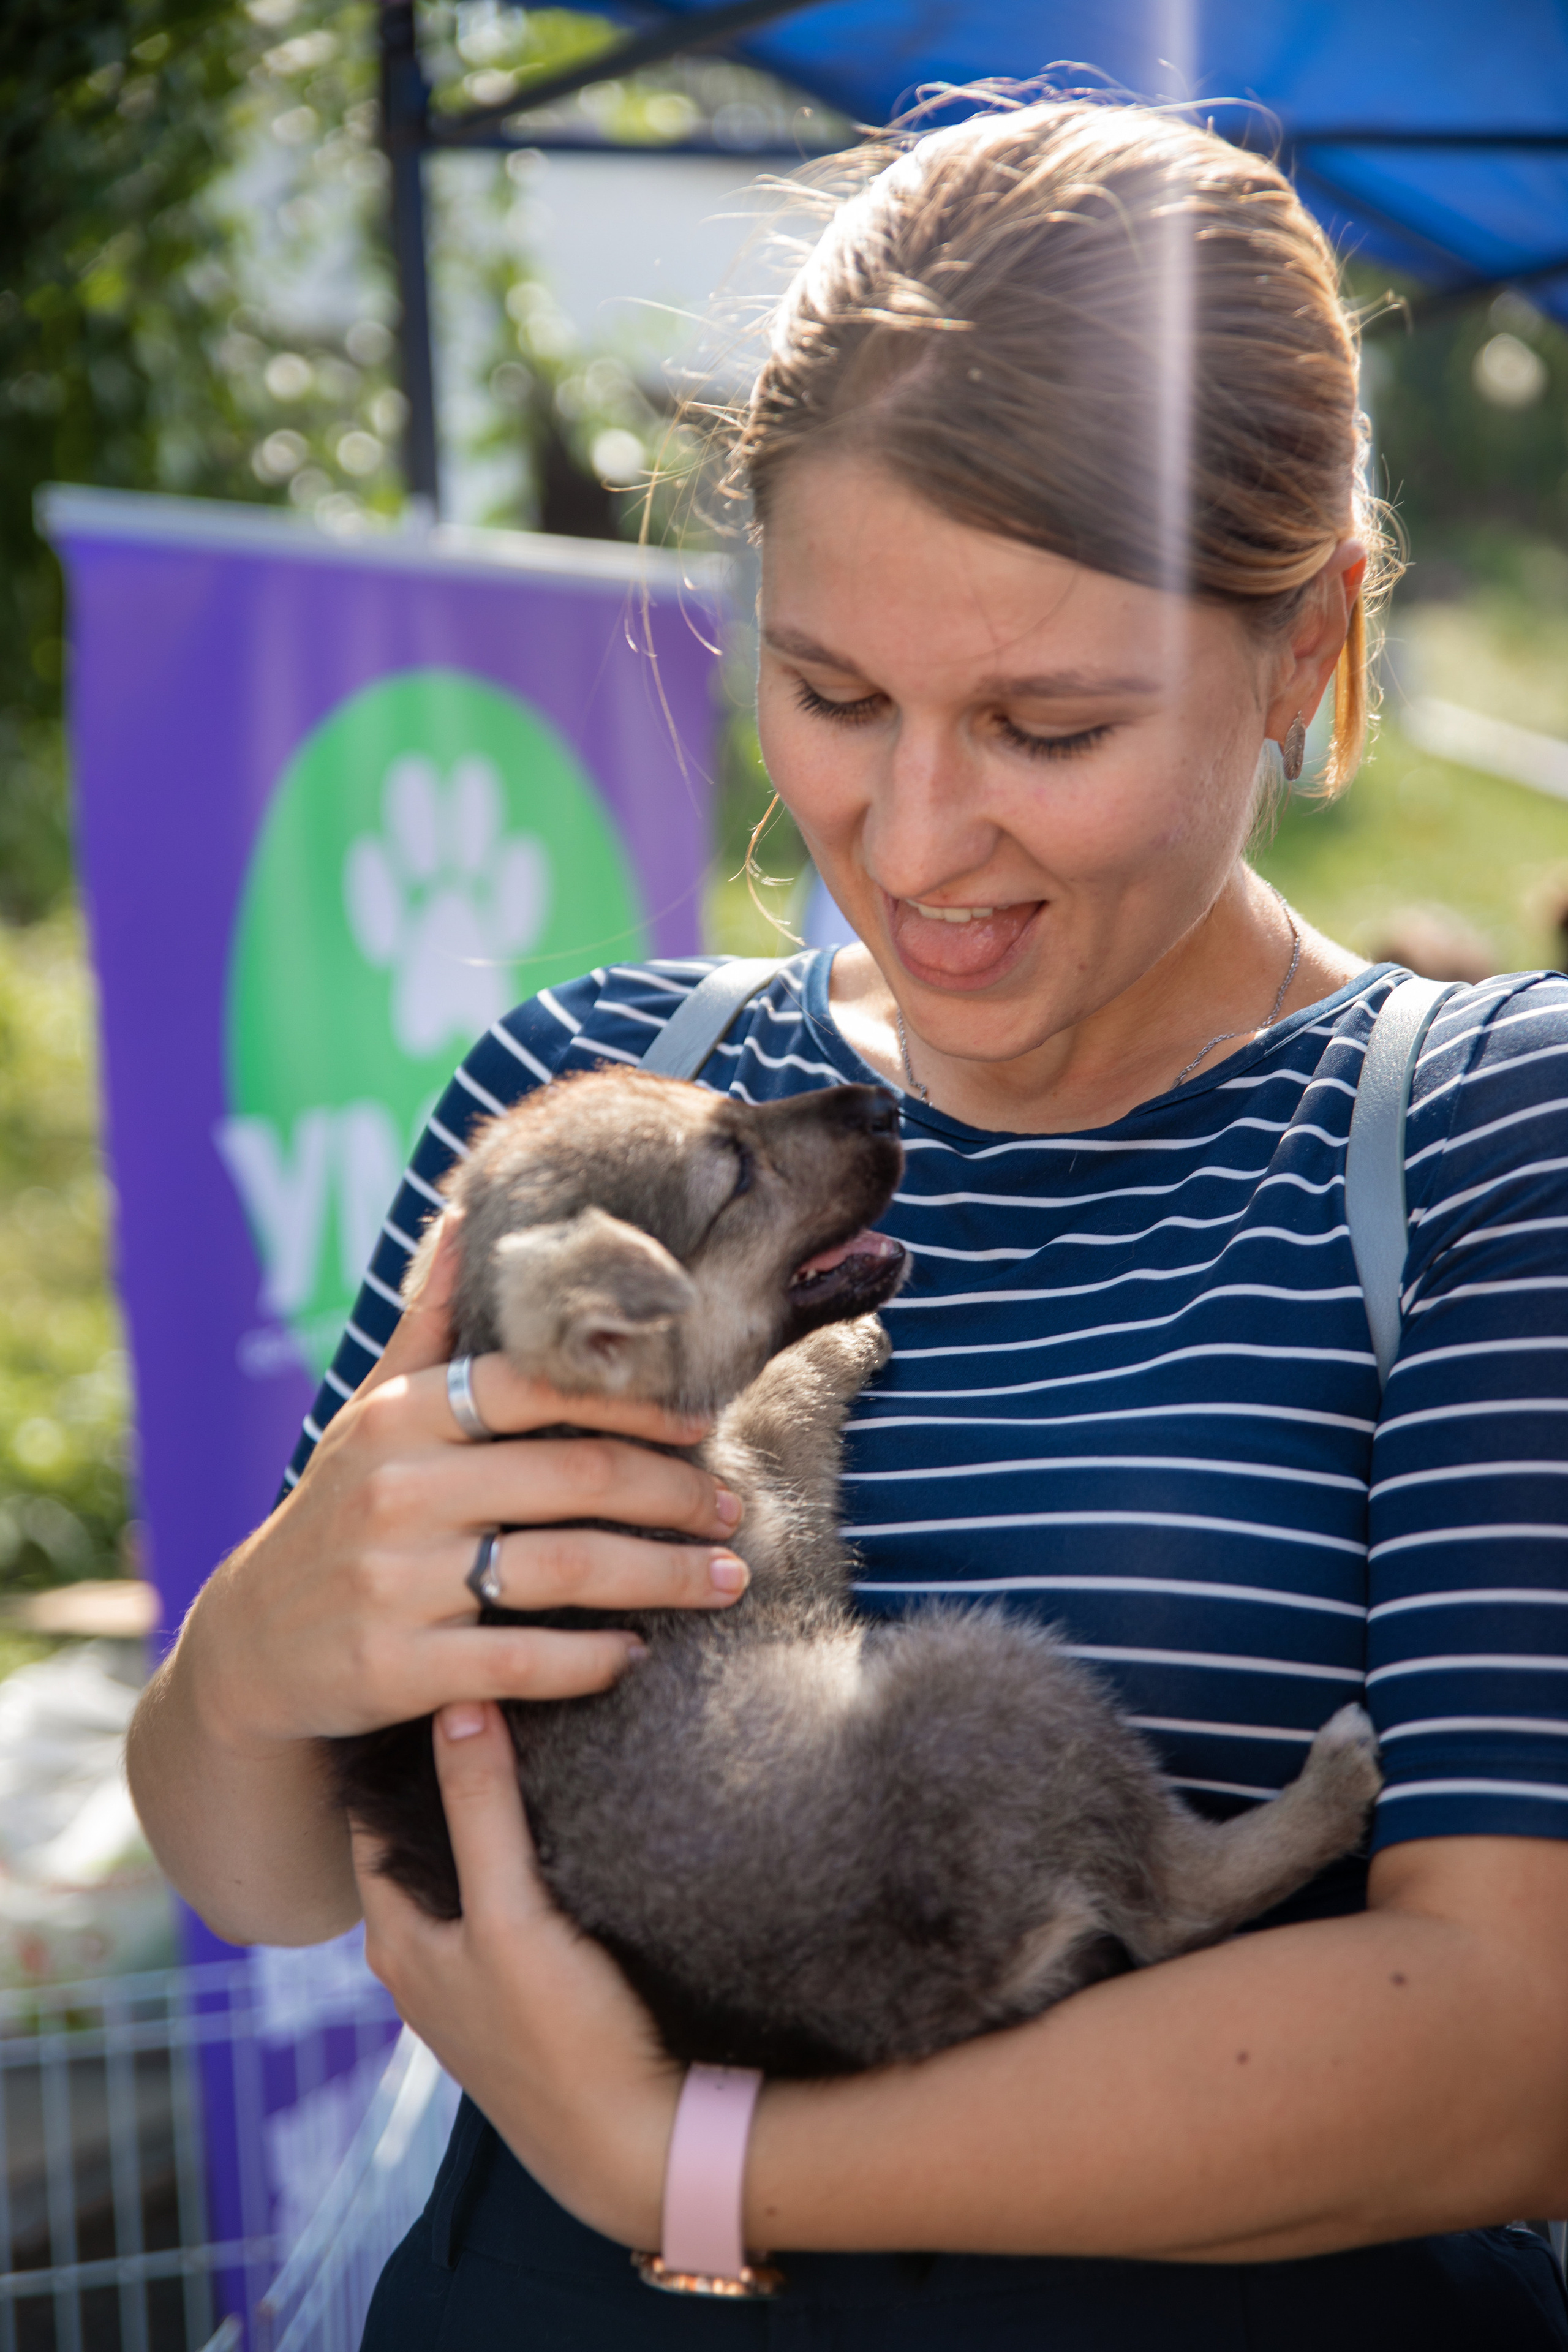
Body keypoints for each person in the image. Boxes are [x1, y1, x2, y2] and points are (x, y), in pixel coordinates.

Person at [127, 98, 1568, 2349]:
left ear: (1308, 648)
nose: (912, 835)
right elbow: (272, 1866)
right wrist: (268, 1643)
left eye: (1044, 722)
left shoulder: (1487, 1133)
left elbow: (1513, 2044)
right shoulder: (588, 1091)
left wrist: (683, 2164)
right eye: (831, 693)